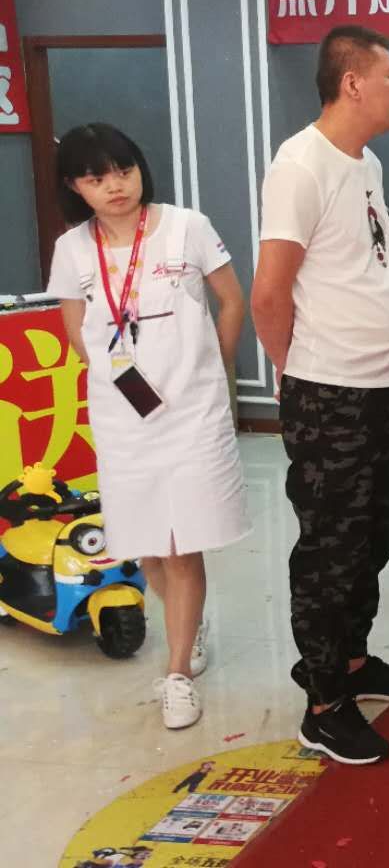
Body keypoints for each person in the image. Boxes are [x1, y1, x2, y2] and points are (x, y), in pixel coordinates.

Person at [252, 24, 389, 766]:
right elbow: (269, 292)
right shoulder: (301, 164)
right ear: (352, 82)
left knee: (374, 536)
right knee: (330, 550)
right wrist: (294, 371)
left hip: (380, 386)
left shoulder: (367, 162)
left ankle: (352, 661)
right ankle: (324, 704)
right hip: (329, 391)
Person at [47, 124, 249, 730]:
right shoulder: (72, 249)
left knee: (182, 542)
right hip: (124, 419)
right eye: (97, 178)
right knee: (148, 542)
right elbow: (77, 334)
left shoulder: (187, 227)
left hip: (192, 411)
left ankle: (178, 671)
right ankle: (192, 621)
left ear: (141, 169)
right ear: (75, 187)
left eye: (125, 170)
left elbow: (231, 301)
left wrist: (216, 372)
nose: (116, 186)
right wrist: (121, 382)